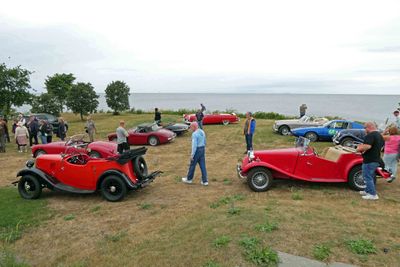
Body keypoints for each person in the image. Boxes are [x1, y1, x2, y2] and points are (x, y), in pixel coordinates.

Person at [356, 122, 384, 200]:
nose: (364, 130)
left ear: (369, 127)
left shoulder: (371, 135)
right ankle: (367, 190)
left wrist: (358, 149)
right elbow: (380, 146)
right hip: (376, 159)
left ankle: (373, 194)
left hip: (370, 160)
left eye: (365, 128)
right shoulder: (379, 135)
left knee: (367, 177)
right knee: (370, 176)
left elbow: (367, 146)